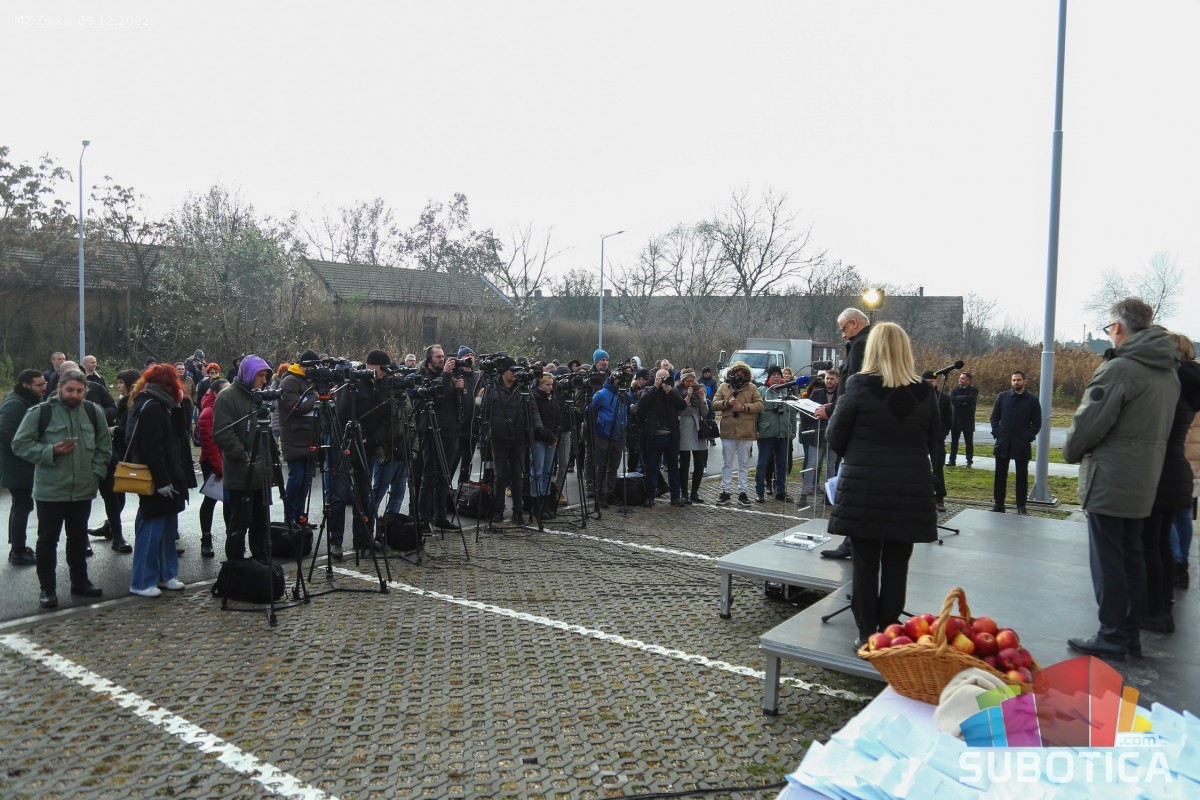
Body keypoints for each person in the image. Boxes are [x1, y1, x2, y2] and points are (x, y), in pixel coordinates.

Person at [1061, 298, 1178, 660]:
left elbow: (1088, 424)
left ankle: (1111, 635)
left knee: (1108, 562)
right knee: (1132, 558)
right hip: (1143, 479)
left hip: (1109, 479)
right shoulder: (1167, 370)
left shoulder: (1120, 370)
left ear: (1118, 328)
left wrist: (1070, 451)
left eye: (1109, 328)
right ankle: (1128, 635)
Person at [824, 323, 940, 649]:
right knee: (897, 565)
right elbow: (935, 439)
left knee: (864, 565)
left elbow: (835, 436)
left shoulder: (858, 386)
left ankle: (866, 632)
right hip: (911, 489)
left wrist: (858, 454)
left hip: (864, 488)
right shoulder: (925, 392)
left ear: (872, 349)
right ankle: (890, 631)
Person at [11, 370, 112, 609]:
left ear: (85, 390)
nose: (74, 394)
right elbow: (20, 444)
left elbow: (104, 447)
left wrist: (96, 473)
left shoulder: (93, 412)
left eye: (79, 390)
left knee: (78, 538)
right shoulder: (40, 412)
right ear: (59, 388)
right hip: (50, 490)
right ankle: (47, 589)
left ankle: (80, 582)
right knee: (47, 540)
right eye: (70, 390)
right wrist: (50, 451)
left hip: (83, 490)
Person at [1138, 332, 1199, 633]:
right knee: (1165, 535)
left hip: (1164, 470)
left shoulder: (1173, 387)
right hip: (1179, 470)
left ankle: (1157, 609)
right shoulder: (1189, 385)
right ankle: (1165, 599)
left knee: (1152, 541)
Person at [125, 364, 196, 597]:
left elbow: (180, 432)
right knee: (152, 531)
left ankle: (167, 575)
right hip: (158, 479)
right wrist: (163, 480)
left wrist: (179, 406)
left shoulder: (161, 405)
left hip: (168, 476)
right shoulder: (152, 407)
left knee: (166, 530)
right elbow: (152, 450)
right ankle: (142, 580)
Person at [212, 355, 279, 561]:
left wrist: (272, 463)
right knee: (240, 521)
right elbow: (222, 433)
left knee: (261, 520)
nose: (264, 380)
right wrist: (243, 455)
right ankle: (236, 564)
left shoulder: (258, 396)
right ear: (249, 374)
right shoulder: (227, 397)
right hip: (241, 473)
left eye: (266, 376)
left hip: (262, 473)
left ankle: (261, 560)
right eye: (261, 375)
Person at [819, 309, 872, 560]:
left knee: (853, 489)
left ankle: (852, 542)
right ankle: (855, 542)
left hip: (857, 428)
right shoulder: (868, 342)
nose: (842, 334)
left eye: (843, 329)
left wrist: (832, 410)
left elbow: (853, 386)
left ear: (853, 323)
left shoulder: (861, 344)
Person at [479, 360, 544, 526]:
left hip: (518, 436)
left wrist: (538, 428)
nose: (514, 373)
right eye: (511, 370)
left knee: (517, 476)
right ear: (503, 371)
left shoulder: (523, 387)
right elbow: (484, 411)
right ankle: (498, 511)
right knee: (499, 476)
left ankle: (518, 512)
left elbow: (533, 410)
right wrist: (484, 432)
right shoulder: (492, 388)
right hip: (498, 437)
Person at [414, 345, 468, 533]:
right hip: (431, 430)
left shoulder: (450, 377)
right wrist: (445, 375)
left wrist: (460, 389)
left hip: (450, 431)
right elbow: (436, 397)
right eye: (437, 356)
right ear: (428, 359)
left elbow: (456, 403)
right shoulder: (422, 376)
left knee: (445, 476)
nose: (441, 359)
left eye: (443, 356)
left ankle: (441, 517)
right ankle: (424, 519)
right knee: (429, 477)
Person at [86, 368, 139, 554]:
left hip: (115, 453)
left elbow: (123, 423)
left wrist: (113, 428)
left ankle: (116, 533)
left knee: (114, 494)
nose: (117, 386)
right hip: (93, 456)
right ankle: (92, 534)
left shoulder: (129, 402)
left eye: (121, 383)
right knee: (85, 499)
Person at [1, 369, 47, 565]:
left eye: (44, 383)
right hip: (18, 466)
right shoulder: (14, 404)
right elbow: (6, 433)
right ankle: (18, 551)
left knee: (20, 505)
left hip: (21, 465)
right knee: (22, 506)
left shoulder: (25, 400)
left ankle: (17, 545)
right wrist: (29, 451)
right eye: (39, 385)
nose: (44, 387)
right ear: (25, 385)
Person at [990, 370, 1042, 514]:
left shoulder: (1032, 400)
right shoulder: (1003, 397)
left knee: (1022, 476)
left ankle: (1021, 506)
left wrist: (1028, 436)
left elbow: (1037, 423)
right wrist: (997, 432)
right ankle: (999, 504)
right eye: (1013, 380)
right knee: (1000, 475)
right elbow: (994, 417)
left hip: (1021, 443)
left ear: (1025, 381)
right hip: (1003, 441)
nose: (1016, 382)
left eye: (1018, 380)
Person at [711, 361, 764, 505]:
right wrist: (727, 403)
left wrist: (744, 407)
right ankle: (725, 492)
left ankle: (743, 492)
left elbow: (760, 404)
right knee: (727, 463)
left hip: (746, 431)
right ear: (731, 373)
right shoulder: (724, 386)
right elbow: (714, 404)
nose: (739, 375)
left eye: (743, 373)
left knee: (743, 464)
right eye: (737, 373)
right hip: (728, 430)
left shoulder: (752, 387)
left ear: (747, 375)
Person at [278, 351, 319, 528]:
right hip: (294, 438)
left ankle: (300, 516)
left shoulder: (308, 381)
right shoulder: (290, 381)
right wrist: (317, 398)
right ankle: (290, 518)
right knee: (296, 479)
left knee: (306, 480)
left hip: (309, 437)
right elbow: (295, 407)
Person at [637, 368, 686, 507]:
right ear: (656, 378)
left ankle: (675, 497)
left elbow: (682, 405)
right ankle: (650, 497)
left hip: (671, 436)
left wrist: (669, 392)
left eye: (666, 378)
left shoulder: (673, 391)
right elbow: (641, 406)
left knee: (673, 468)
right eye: (661, 378)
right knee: (652, 467)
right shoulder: (649, 389)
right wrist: (655, 388)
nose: (664, 381)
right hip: (654, 436)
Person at [197, 377, 229, 558]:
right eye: (225, 390)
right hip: (213, 462)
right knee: (211, 500)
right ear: (215, 393)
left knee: (229, 500)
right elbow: (209, 444)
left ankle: (231, 537)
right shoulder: (208, 412)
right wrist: (219, 469)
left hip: (226, 460)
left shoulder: (224, 407)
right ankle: (206, 539)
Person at [755, 367, 798, 503]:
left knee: (782, 464)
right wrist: (755, 430)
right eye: (773, 375)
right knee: (762, 464)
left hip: (783, 433)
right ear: (769, 377)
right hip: (766, 433)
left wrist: (793, 429)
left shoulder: (787, 391)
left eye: (779, 374)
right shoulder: (762, 391)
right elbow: (756, 413)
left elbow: (792, 413)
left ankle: (781, 492)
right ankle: (760, 492)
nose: (777, 377)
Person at [588, 372, 630, 508]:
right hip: (603, 435)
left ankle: (610, 493)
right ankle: (600, 494)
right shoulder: (601, 394)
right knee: (602, 467)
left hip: (619, 434)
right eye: (619, 380)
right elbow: (589, 410)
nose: (622, 382)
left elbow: (627, 409)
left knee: (614, 467)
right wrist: (598, 425)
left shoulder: (624, 394)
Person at [803, 368, 840, 511]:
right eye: (827, 378)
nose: (829, 381)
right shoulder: (816, 393)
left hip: (834, 436)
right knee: (812, 464)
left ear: (837, 380)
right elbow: (808, 412)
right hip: (817, 434)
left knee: (830, 467)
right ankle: (804, 494)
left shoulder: (841, 394)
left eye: (832, 379)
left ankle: (829, 496)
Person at [529, 373, 562, 519]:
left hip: (551, 438)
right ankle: (536, 503)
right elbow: (538, 421)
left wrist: (555, 436)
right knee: (537, 471)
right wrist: (550, 437)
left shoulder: (553, 397)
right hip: (539, 438)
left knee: (547, 472)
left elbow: (557, 416)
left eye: (551, 384)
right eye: (547, 384)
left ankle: (546, 500)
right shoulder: (534, 397)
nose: (550, 387)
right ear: (539, 385)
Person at [676, 368, 711, 504]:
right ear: (683, 381)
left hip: (699, 429)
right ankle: (684, 493)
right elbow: (680, 412)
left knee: (700, 464)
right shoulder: (677, 391)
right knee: (684, 464)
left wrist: (702, 400)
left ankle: (694, 492)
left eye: (692, 380)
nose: (691, 383)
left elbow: (705, 412)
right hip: (685, 427)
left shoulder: (700, 389)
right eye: (688, 381)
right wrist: (688, 398)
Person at [923, 370, 953, 512]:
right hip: (921, 438)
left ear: (937, 382)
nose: (929, 384)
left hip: (937, 439)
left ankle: (939, 497)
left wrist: (942, 433)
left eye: (931, 382)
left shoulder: (944, 398)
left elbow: (949, 420)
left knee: (937, 468)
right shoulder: (917, 396)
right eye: (926, 382)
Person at [948, 372, 978, 467]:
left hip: (967, 419)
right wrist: (963, 403)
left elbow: (971, 399)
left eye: (962, 378)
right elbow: (951, 399)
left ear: (968, 380)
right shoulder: (955, 388)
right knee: (954, 442)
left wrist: (958, 399)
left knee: (968, 442)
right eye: (960, 378)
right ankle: (952, 460)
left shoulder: (973, 390)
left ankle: (969, 461)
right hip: (956, 419)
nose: (960, 380)